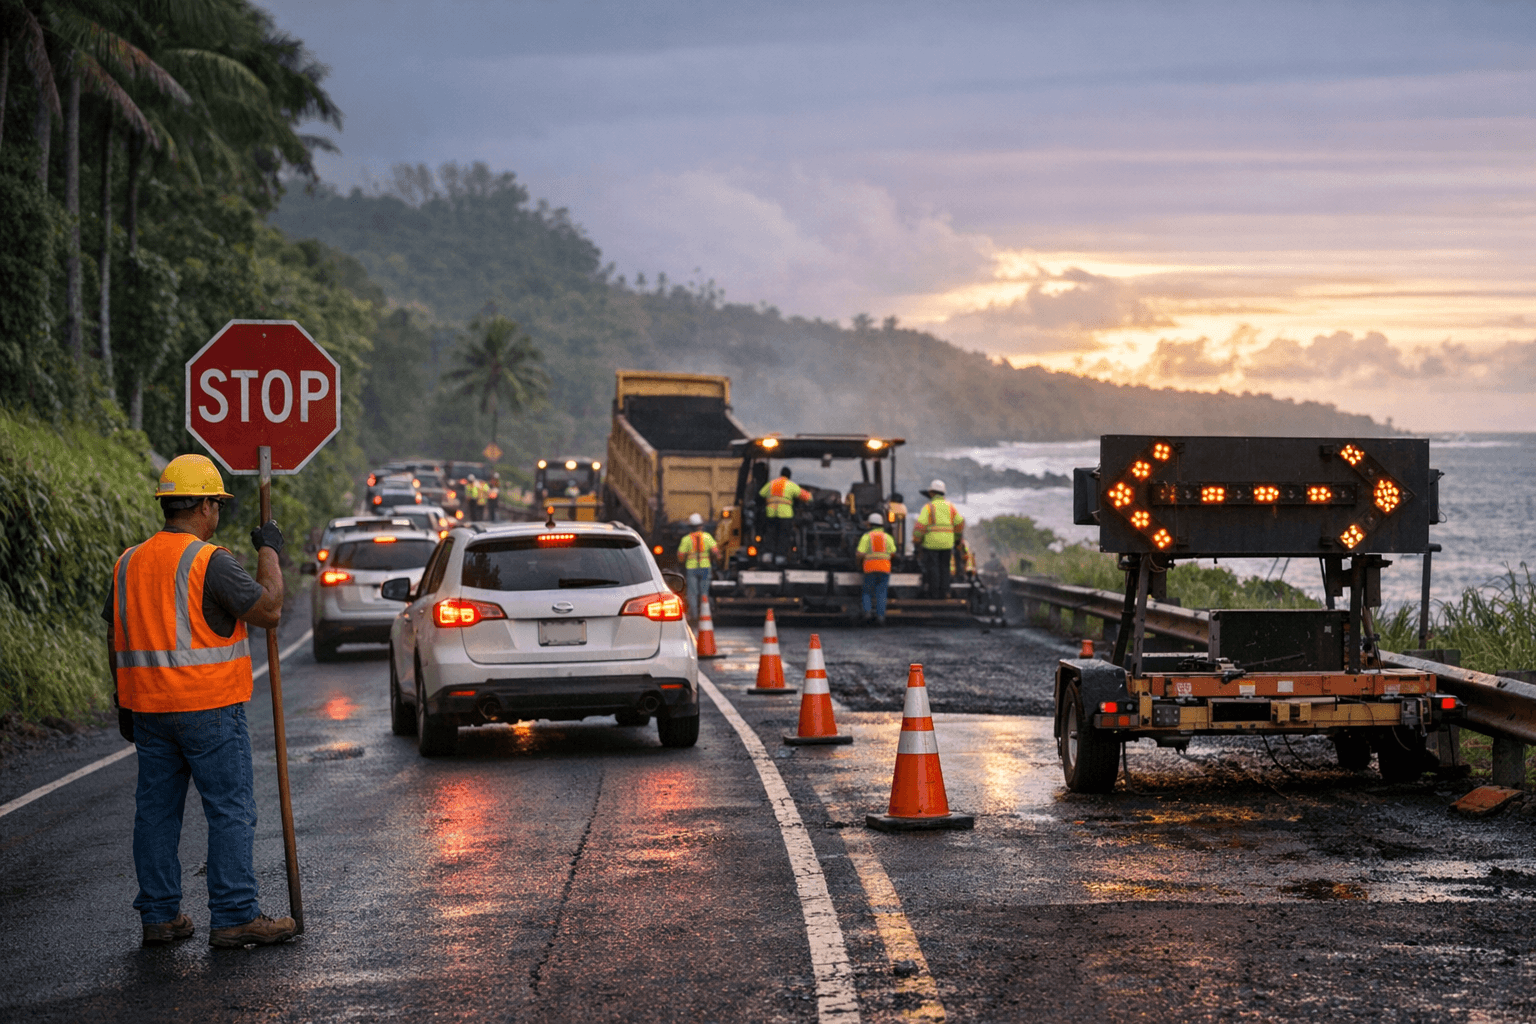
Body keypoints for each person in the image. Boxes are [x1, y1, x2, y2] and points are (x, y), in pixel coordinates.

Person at [104, 454, 296, 949]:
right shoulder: (209, 561)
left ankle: (160, 916)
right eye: (217, 503)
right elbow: (270, 610)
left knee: (156, 815)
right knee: (231, 811)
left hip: (147, 712)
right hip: (209, 709)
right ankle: (234, 915)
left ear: (167, 504)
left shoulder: (128, 562)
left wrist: (124, 702)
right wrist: (269, 550)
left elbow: (115, 635)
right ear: (206, 505)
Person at [913, 478, 965, 599]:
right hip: (947, 544)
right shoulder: (951, 507)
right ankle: (945, 592)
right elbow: (959, 523)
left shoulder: (929, 507)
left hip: (931, 544)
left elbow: (920, 526)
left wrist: (917, 539)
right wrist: (957, 538)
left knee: (933, 568)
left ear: (932, 493)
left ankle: (934, 594)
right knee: (945, 568)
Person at [758, 466, 809, 565]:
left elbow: (760, 495)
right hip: (785, 514)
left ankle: (767, 556)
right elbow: (806, 497)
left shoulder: (771, 484)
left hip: (771, 513)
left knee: (770, 533)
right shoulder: (791, 485)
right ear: (789, 476)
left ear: (780, 474)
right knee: (783, 535)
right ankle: (780, 558)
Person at [676, 512, 719, 623]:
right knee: (704, 592)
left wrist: (682, 562)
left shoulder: (686, 539)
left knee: (692, 593)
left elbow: (680, 555)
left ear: (691, 527)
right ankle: (705, 615)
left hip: (691, 568)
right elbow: (716, 552)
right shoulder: (707, 537)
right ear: (701, 526)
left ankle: (694, 616)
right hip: (705, 567)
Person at [856, 512, 896, 625]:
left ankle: (867, 613)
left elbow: (859, 554)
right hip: (884, 569)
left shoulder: (866, 537)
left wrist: (858, 564)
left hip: (870, 568)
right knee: (881, 593)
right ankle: (880, 617)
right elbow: (893, 553)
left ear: (869, 524)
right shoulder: (888, 537)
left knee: (867, 592)